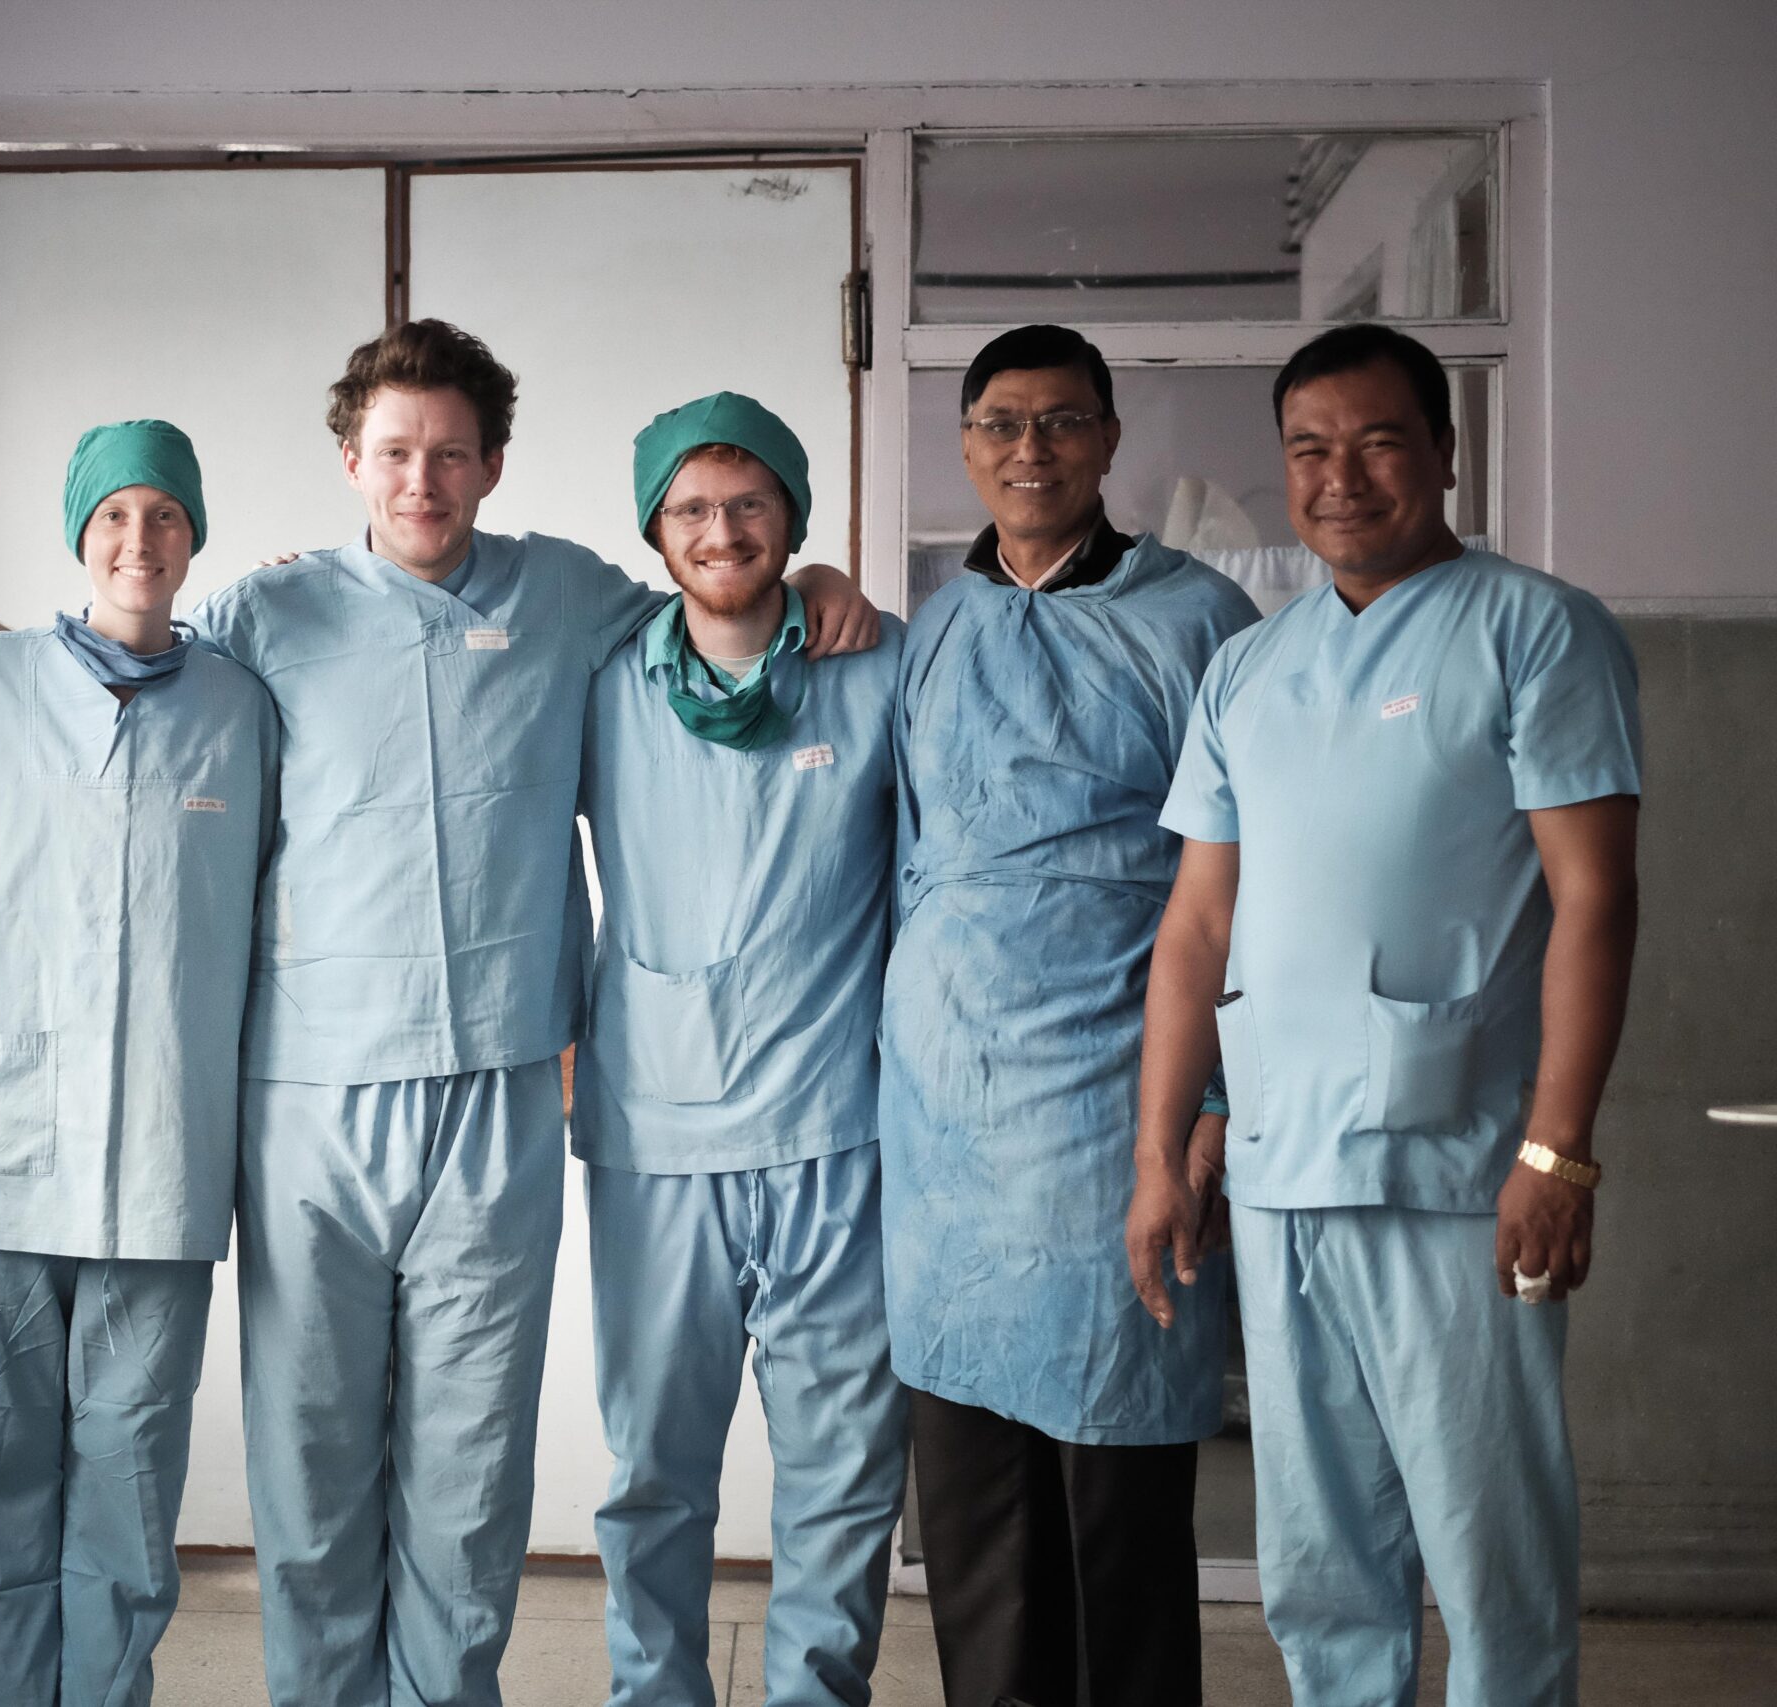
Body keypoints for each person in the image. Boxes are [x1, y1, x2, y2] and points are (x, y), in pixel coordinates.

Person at [190, 319, 878, 1707]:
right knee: (313, 1451)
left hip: (500, 1084)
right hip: (309, 1089)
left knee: (469, 1461)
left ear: (495, 463)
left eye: (451, 453)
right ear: (349, 459)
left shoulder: (571, 599)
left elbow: (716, 598)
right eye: (394, 452)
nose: (422, 480)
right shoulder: (269, 616)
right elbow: (141, 695)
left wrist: (813, 573)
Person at [1129, 322, 1640, 1707]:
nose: (1339, 475)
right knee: (1318, 1553)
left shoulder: (1536, 628)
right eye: (1308, 448)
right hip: (1285, 1163)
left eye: (1377, 440)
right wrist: (1163, 1149)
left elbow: (1594, 900)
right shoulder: (1251, 669)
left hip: (1458, 1167)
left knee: (1489, 1542)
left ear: (1445, 452)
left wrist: (1558, 1149)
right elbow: (1197, 927)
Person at [881, 324, 1260, 1707]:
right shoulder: (937, 628)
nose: (1028, 449)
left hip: (1119, 1096)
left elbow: (1246, 888)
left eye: (1059, 422)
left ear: (1108, 440)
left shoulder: (1198, 623)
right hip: (939, 1126)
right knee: (976, 1523)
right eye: (999, 423)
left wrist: (1209, 1105)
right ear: (965, 446)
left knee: (1117, 1507)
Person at [0, 420, 277, 1706]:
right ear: (79, 535)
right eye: (113, 516)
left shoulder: (242, 705)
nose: (140, 539)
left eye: (166, 516)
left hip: (162, 1161)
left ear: (195, 539)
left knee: (127, 1478)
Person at [575, 392, 908, 1706]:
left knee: (840, 1467)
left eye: (753, 503)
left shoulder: (876, 669)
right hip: (657, 1131)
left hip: (837, 1124)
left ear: (795, 519)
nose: (724, 530)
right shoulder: (600, 679)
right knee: (654, 1460)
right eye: (694, 507)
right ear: (656, 530)